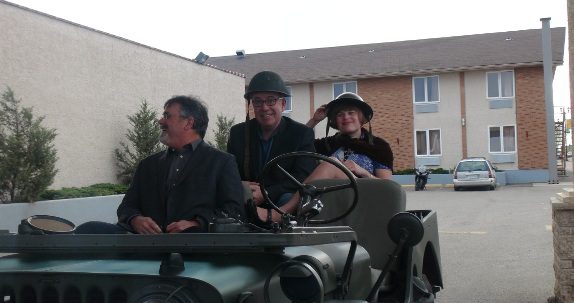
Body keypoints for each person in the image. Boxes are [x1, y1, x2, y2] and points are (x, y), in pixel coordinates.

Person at [76, 95, 244, 234]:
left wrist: (196, 223)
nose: (160, 121)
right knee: (87, 230)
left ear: (189, 123)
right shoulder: (147, 165)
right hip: (146, 247)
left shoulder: (221, 162)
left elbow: (234, 211)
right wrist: (135, 219)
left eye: (167, 116)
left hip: (194, 248)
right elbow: (127, 207)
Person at [258, 92, 394, 222]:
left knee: (332, 163)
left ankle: (281, 213)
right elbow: (298, 145)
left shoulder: (379, 147)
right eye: (340, 114)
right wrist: (314, 120)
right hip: (330, 200)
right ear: (334, 121)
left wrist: (362, 172)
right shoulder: (327, 144)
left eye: (351, 113)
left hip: (363, 196)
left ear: (361, 117)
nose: (346, 117)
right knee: (288, 194)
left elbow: (387, 188)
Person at [227, 71, 316, 212]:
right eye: (257, 101)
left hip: (281, 205)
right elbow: (230, 172)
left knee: (289, 198)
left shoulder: (301, 134)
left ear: (283, 104)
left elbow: (303, 176)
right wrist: (241, 186)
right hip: (245, 199)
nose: (264, 107)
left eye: (271, 100)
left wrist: (267, 193)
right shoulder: (238, 133)